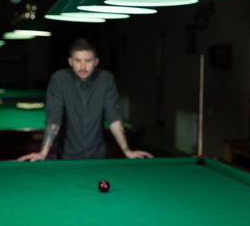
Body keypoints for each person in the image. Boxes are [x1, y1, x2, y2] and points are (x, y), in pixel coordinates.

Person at [18, 39, 152, 161]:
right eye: (78, 61)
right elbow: (54, 119)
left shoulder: (106, 79)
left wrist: (127, 151)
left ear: (96, 61)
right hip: (67, 156)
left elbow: (113, 118)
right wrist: (43, 153)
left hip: (98, 155)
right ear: (70, 61)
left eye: (88, 61)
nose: (83, 67)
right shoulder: (59, 79)